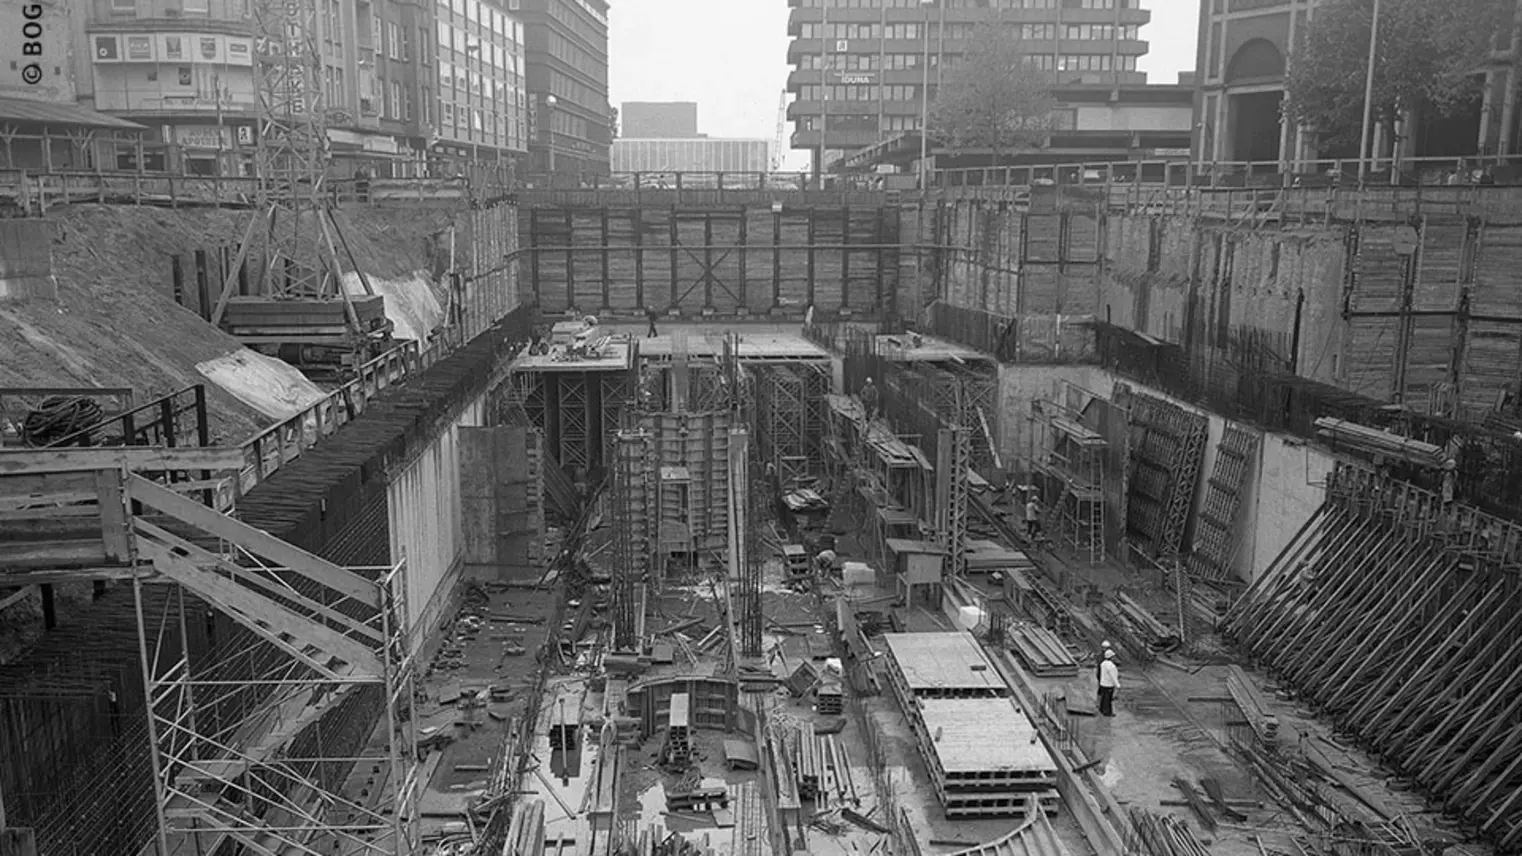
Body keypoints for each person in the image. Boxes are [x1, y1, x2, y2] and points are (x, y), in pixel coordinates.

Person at [1098, 650, 1119, 717]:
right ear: (1111, 657)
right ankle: (1107, 712)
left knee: (1103, 698)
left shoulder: (1103, 664)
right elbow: (1113, 676)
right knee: (1108, 699)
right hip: (1109, 685)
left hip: (1103, 683)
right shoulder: (1111, 666)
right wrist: (1117, 685)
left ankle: (1101, 709)